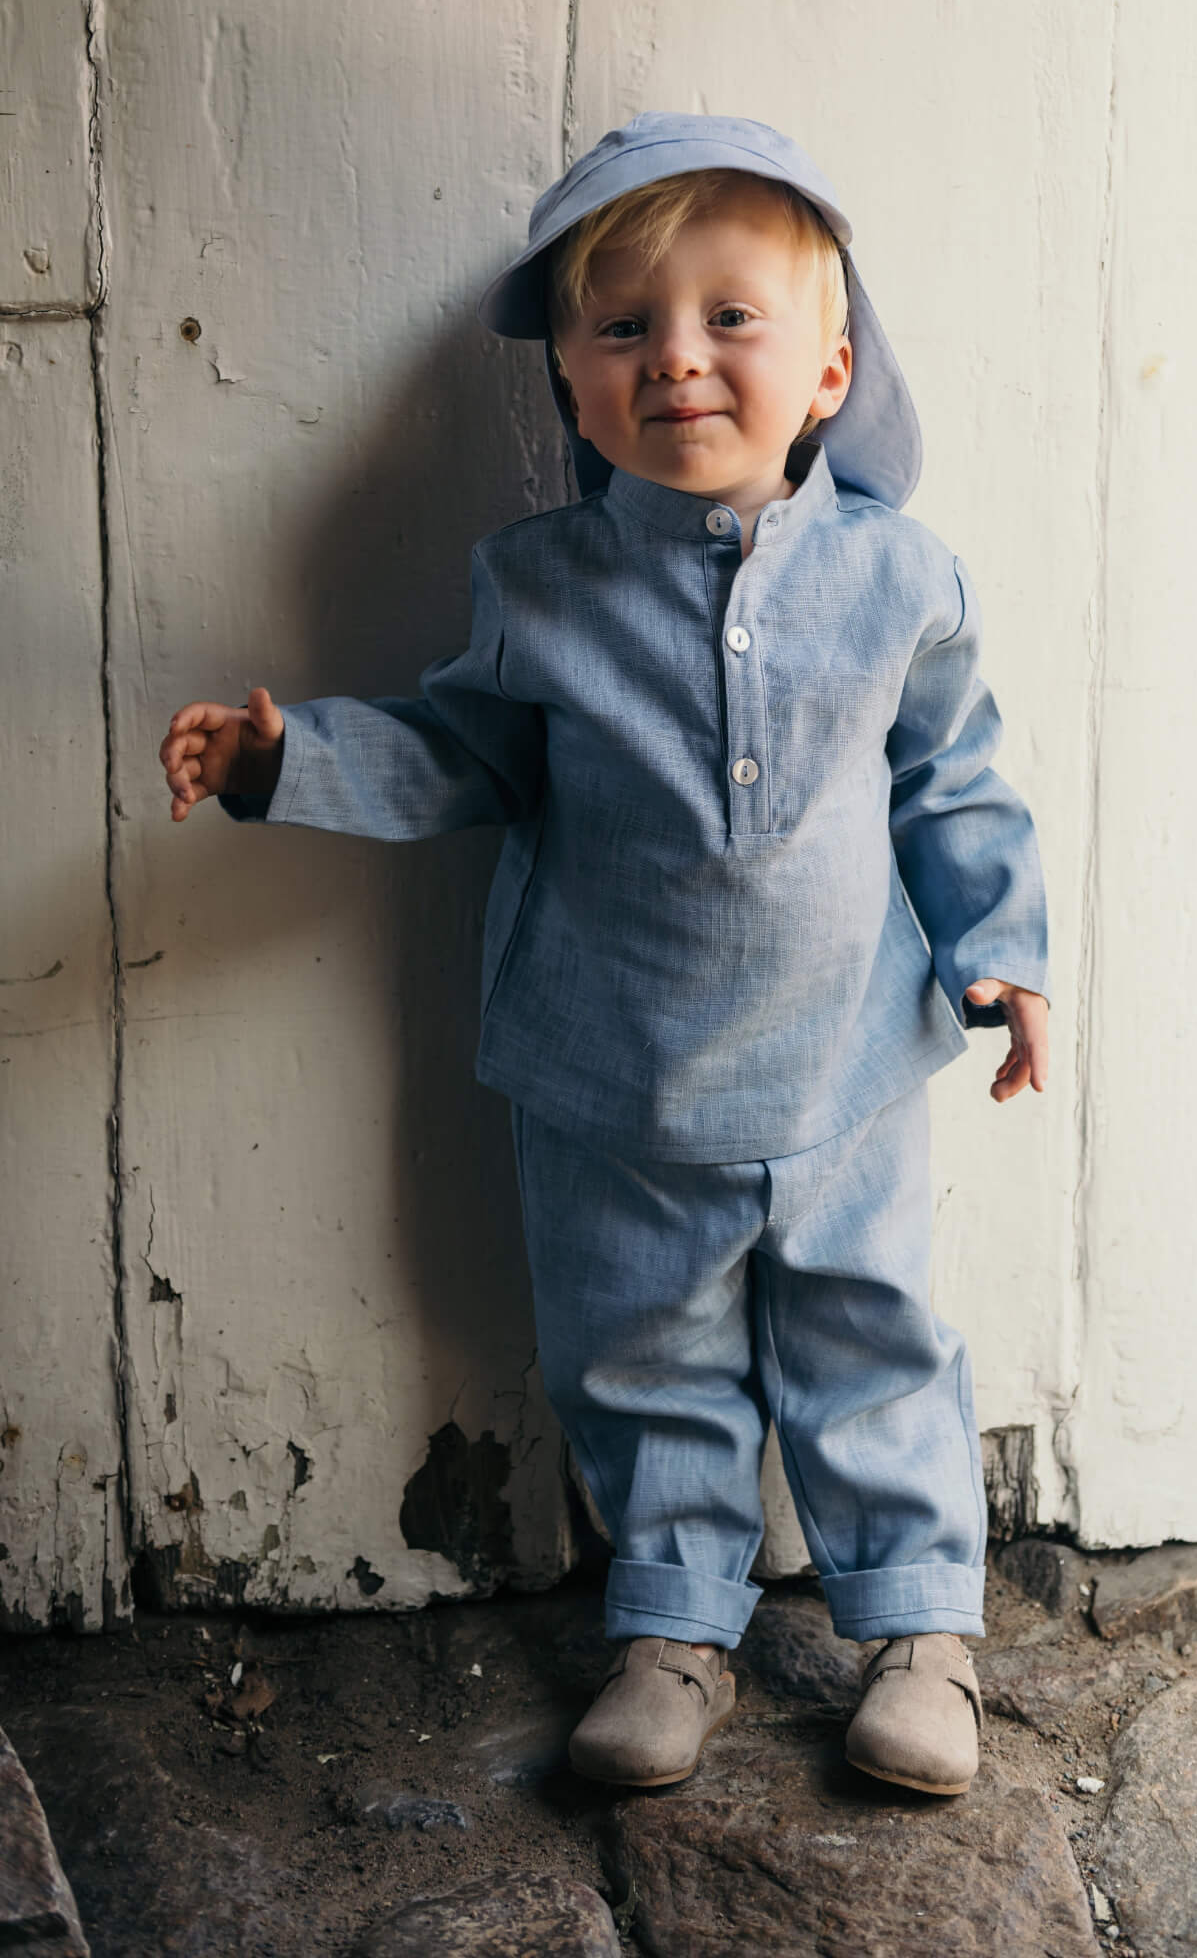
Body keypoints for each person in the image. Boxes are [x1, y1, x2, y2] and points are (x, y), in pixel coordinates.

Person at [157, 113, 1050, 1798]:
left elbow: (954, 775)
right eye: (623, 326)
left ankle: (921, 1626)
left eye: (732, 319)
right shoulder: (542, 588)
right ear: (567, 382)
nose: (678, 360)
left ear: (835, 368)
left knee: (872, 1339)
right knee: (642, 1362)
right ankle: (674, 1626)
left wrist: (1003, 954)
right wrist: (291, 763)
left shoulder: (897, 581)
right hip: (612, 1081)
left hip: (847, 1071)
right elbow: (465, 751)